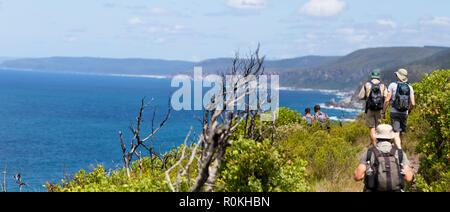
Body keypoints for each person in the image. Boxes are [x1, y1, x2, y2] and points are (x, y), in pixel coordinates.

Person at [354, 124, 413, 192]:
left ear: (376, 137)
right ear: (391, 137)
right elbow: (409, 178)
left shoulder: (369, 152)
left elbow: (358, 176)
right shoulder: (400, 153)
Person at [382, 68, 416, 149]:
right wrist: (409, 110)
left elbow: (387, 100)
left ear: (398, 76)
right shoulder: (410, 87)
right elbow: (413, 103)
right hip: (404, 113)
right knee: (400, 133)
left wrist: (383, 112)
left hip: (394, 112)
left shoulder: (392, 85)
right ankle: (399, 150)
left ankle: (399, 150)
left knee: (396, 133)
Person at [358, 69, 388, 146]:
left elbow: (360, 96)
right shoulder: (383, 85)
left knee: (372, 128)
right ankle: (379, 144)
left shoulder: (367, 84)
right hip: (379, 109)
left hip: (369, 109)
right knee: (378, 128)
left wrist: (367, 98)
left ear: (372, 76)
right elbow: (386, 97)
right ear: (378, 76)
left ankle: (374, 146)